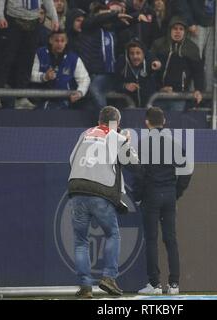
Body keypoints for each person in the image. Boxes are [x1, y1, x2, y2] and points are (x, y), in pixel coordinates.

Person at [68, 106, 138, 298]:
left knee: (80, 241)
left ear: (100, 120)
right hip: (100, 192)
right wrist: (128, 142)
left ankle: (85, 287)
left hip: (76, 189)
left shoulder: (85, 133)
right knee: (112, 234)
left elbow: (71, 159)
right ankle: (109, 277)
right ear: (117, 123)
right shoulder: (117, 136)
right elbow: (133, 162)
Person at [135, 107, 192, 295]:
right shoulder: (174, 144)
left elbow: (139, 174)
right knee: (170, 239)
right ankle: (174, 285)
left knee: (151, 239)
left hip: (151, 196)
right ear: (164, 121)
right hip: (168, 195)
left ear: (147, 123)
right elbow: (186, 170)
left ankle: (154, 284)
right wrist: (176, 192)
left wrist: (137, 196)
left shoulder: (142, 145)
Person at [31, 30, 90, 109]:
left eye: (62, 41)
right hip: (41, 99)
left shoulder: (73, 58)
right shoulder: (40, 53)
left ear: (66, 42)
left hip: (65, 101)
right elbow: (31, 75)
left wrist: (80, 92)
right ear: (50, 40)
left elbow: (84, 79)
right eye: (56, 41)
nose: (59, 44)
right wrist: (44, 77)